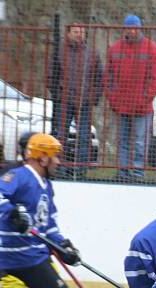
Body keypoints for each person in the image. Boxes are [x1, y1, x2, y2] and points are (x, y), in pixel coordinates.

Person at [0, 133, 99, 288]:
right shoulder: (19, 176)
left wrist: (63, 245)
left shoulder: (46, 186)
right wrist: (11, 211)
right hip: (18, 252)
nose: (59, 162)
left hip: (33, 250)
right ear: (41, 157)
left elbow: (48, 223)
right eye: (55, 157)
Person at [0, 132, 59, 288]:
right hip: (1, 238)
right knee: (11, 286)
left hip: (28, 242)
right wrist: (12, 214)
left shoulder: (36, 176)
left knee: (53, 281)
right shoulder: (13, 173)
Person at [104, 14, 156, 181]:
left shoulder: (151, 48)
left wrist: (145, 98)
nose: (132, 31)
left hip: (142, 107)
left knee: (139, 142)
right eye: (129, 28)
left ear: (140, 29)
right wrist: (113, 98)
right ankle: (122, 171)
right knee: (122, 141)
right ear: (125, 29)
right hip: (121, 105)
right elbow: (108, 77)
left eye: (135, 28)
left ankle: (138, 173)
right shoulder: (115, 49)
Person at [48, 23, 103, 179]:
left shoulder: (92, 53)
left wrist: (93, 97)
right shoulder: (59, 51)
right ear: (68, 33)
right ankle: (60, 168)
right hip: (63, 101)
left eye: (82, 32)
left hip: (84, 102)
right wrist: (58, 95)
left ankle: (80, 170)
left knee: (84, 137)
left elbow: (99, 77)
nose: (79, 34)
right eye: (76, 31)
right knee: (60, 136)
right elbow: (52, 74)